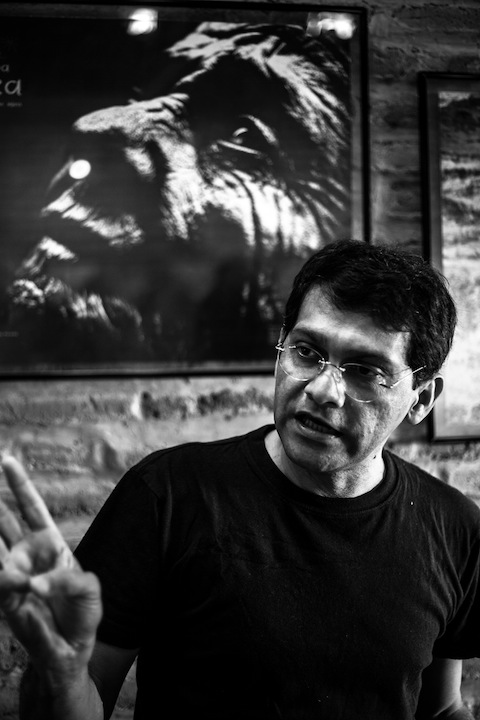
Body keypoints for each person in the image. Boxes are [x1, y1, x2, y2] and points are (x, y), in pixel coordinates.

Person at [0, 239, 478, 720]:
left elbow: (441, 710)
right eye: (307, 351)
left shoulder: (454, 528)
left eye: (364, 371)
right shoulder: (168, 495)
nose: (322, 389)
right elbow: (84, 699)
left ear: (421, 399)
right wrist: (61, 675)